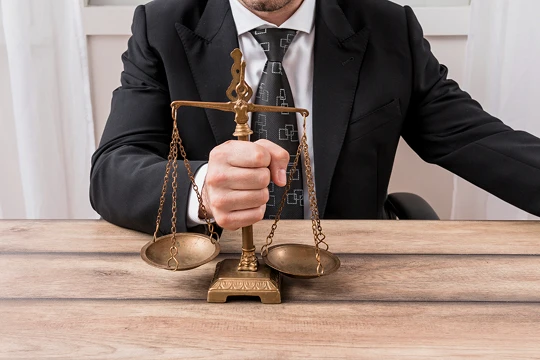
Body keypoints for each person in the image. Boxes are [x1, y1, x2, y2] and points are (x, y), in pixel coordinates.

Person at [90, 0, 540, 234]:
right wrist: (202, 189)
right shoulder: (161, 26)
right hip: (215, 269)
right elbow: (113, 171)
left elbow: (476, 140)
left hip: (350, 273)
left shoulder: (389, 28)